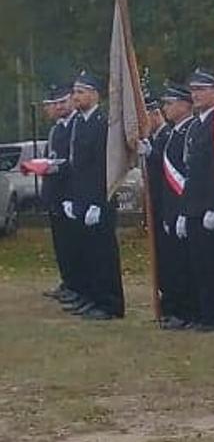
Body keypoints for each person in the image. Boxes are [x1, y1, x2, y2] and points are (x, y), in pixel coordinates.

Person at [61, 71, 127, 320]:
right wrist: (72, 198)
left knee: (103, 255)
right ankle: (91, 297)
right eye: (75, 92)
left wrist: (99, 202)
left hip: (99, 201)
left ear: (94, 94)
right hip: (81, 198)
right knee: (86, 253)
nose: (75, 97)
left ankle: (109, 303)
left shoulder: (103, 123)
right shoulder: (79, 121)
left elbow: (104, 167)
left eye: (80, 92)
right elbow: (76, 165)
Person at [182, 69, 214, 332]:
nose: (196, 94)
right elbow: (192, 170)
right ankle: (204, 313)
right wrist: (184, 208)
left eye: (202, 89)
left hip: (211, 205)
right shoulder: (197, 123)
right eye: (194, 90)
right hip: (193, 204)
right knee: (199, 264)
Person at [150, 83, 197, 329]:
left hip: (182, 207)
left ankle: (185, 310)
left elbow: (190, 175)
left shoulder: (189, 131)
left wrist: (182, 211)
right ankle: (172, 306)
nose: (165, 108)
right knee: (171, 262)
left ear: (185, 105)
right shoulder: (173, 133)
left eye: (170, 103)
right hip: (169, 208)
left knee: (183, 265)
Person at [42, 84, 81, 311]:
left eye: (62, 102)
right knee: (62, 245)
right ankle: (68, 282)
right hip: (56, 194)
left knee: (75, 244)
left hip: (71, 193)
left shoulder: (77, 126)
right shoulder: (57, 129)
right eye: (55, 103)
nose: (58, 107)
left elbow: (77, 164)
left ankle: (77, 286)